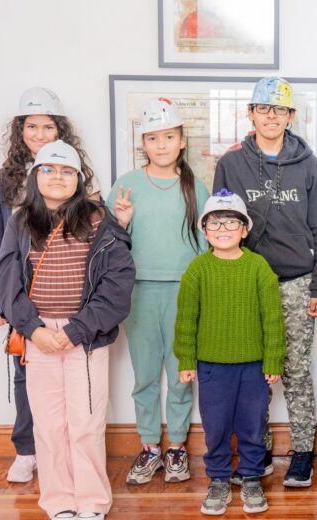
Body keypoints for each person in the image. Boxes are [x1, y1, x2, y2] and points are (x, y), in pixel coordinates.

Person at [0, 141, 135, 520]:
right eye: (49, 170)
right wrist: (33, 329)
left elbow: (118, 283)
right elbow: (7, 278)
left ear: (79, 179)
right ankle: (58, 500)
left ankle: (91, 498)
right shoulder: (21, 221)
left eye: (66, 171)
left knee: (86, 421)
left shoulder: (99, 221)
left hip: (85, 334)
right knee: (49, 423)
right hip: (39, 336)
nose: (57, 177)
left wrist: (76, 329)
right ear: (36, 176)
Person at [212, 76, 317, 487]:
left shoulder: (308, 164)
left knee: (296, 370)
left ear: (290, 117)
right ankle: (256, 448)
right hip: (246, 282)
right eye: (263, 109)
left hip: (297, 281)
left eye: (279, 109)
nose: (271, 116)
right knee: (253, 370)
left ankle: (302, 452)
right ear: (250, 113)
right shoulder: (230, 163)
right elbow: (219, 224)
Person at [0, 87, 96, 483]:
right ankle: (27, 449)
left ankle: (63, 449)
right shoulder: (6, 179)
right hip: (21, 289)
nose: (39, 133)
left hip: (66, 292)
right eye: (31, 126)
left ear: (59, 130)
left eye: (48, 126)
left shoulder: (76, 172)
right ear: (20, 130)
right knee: (25, 368)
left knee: (69, 373)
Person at [108, 97, 210, 485]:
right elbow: (111, 241)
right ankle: (150, 445)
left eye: (169, 136)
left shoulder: (195, 187)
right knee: (145, 374)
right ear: (144, 144)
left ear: (182, 140)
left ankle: (178, 447)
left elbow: (206, 244)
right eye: (153, 138)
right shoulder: (127, 184)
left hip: (184, 291)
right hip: (139, 291)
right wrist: (122, 221)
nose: (162, 145)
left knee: (181, 373)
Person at [174, 189, 286, 515]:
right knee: (216, 424)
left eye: (231, 222)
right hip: (211, 367)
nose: (223, 229)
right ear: (204, 230)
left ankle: (251, 476)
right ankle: (219, 478)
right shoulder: (197, 269)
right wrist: (185, 359)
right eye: (215, 223)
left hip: (253, 366)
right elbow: (186, 320)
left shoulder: (258, 267)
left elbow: (273, 318)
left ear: (245, 229)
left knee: (252, 424)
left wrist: (273, 358)